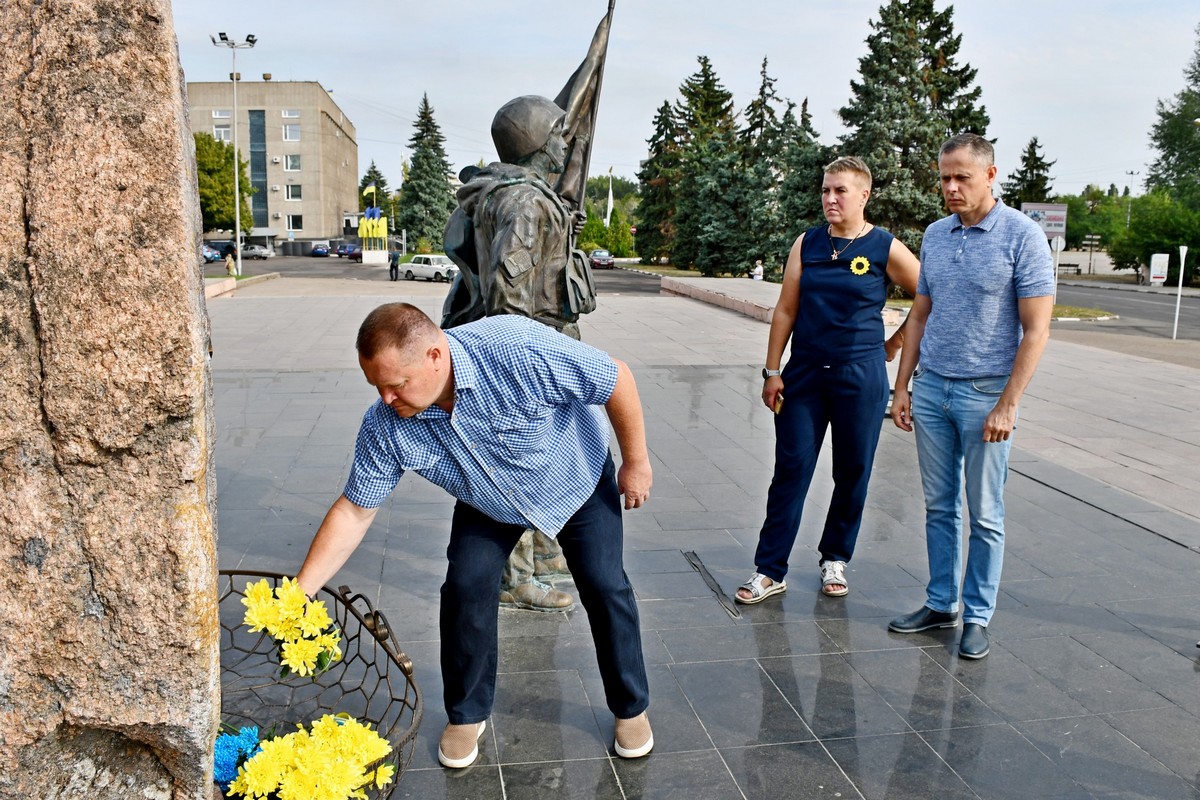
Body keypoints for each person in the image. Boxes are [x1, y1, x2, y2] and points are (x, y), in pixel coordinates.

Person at [294, 303, 654, 768]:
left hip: (574, 475)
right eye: (376, 386)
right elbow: (354, 511)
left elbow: (615, 377)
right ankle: (467, 714)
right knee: (465, 586)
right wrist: (299, 591)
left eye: (396, 384)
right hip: (489, 501)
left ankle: (630, 707)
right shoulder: (386, 424)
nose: (386, 398)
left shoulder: (514, 348)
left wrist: (636, 462)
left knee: (606, 586)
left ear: (434, 356)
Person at [888, 133, 1054, 660]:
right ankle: (941, 603)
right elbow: (920, 314)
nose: (951, 187)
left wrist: (1008, 403)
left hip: (987, 396)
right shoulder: (936, 235)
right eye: (944, 178)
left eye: (962, 177)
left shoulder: (1022, 237)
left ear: (990, 175)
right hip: (933, 389)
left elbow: (1037, 330)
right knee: (940, 507)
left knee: (984, 513)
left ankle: (977, 615)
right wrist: (903, 387)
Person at [441, 95, 601, 612]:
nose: (563, 142)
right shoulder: (526, 203)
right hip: (530, 351)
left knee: (547, 457)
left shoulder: (512, 196)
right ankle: (514, 578)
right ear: (533, 143)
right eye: (555, 133)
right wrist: (525, 368)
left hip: (532, 343)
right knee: (517, 462)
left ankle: (545, 551)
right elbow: (509, 292)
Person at [736, 156, 919, 605]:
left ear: (864, 195)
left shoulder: (885, 246)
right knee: (791, 469)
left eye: (840, 190)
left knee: (852, 471)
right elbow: (786, 309)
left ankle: (834, 557)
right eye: (825, 190)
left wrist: (894, 343)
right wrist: (773, 370)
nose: (830, 198)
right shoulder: (808, 243)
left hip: (861, 376)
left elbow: (929, 297)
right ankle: (769, 569)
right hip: (804, 378)